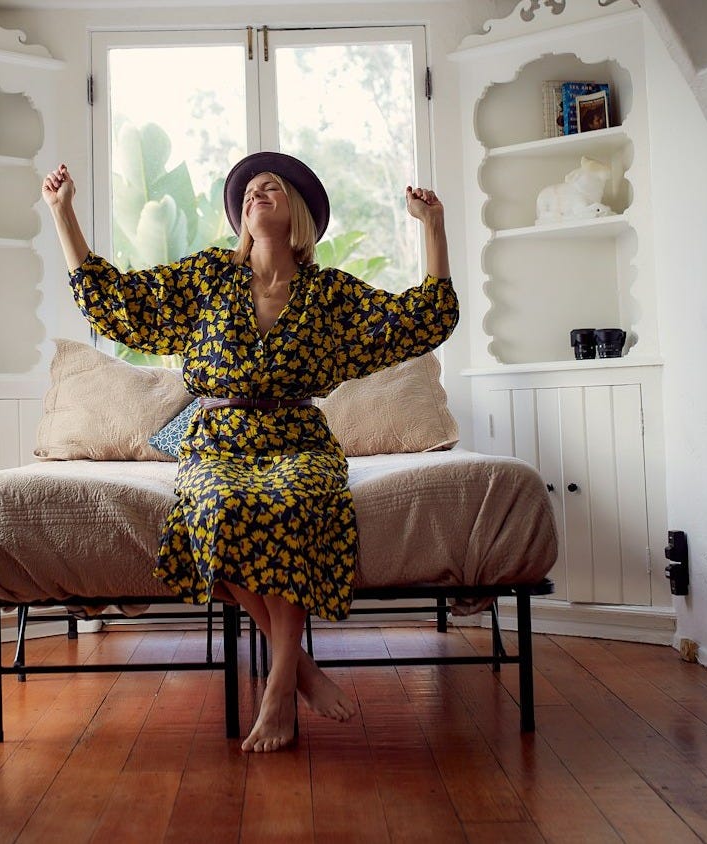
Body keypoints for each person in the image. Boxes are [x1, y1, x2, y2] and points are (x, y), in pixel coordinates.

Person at [42, 152, 458, 753]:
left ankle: (278, 687)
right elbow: (117, 303)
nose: (257, 192)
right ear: (239, 216)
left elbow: (424, 319)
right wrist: (63, 214)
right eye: (250, 190)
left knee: (293, 504)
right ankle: (299, 673)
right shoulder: (208, 277)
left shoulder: (331, 293)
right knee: (220, 509)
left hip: (299, 438)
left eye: (273, 188)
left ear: (300, 215)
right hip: (217, 441)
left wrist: (433, 226)